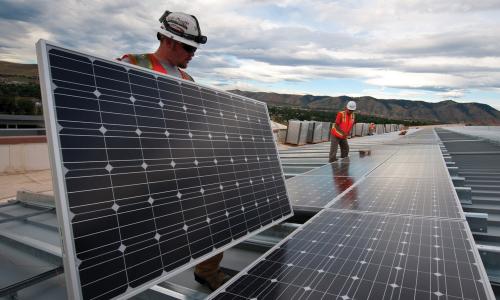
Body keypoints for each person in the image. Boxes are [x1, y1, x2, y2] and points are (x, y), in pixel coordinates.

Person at [119, 10, 228, 291]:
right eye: (189, 47)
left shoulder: (187, 80)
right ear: (169, 40)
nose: (193, 54)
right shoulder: (132, 64)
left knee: (216, 210)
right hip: (141, 168)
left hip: (178, 164)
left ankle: (207, 270)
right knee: (140, 234)